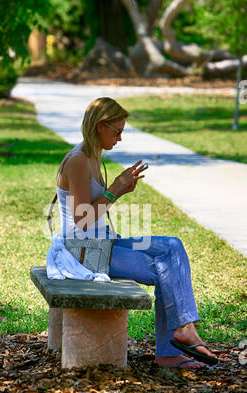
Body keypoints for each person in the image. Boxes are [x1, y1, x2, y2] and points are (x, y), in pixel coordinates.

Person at [49, 96, 218, 369]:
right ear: (100, 126)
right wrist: (115, 189)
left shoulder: (93, 155)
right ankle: (172, 346)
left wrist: (118, 190)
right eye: (117, 131)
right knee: (161, 267)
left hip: (102, 244)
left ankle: (180, 333)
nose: (120, 138)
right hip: (81, 252)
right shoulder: (78, 161)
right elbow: (81, 221)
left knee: (172, 246)